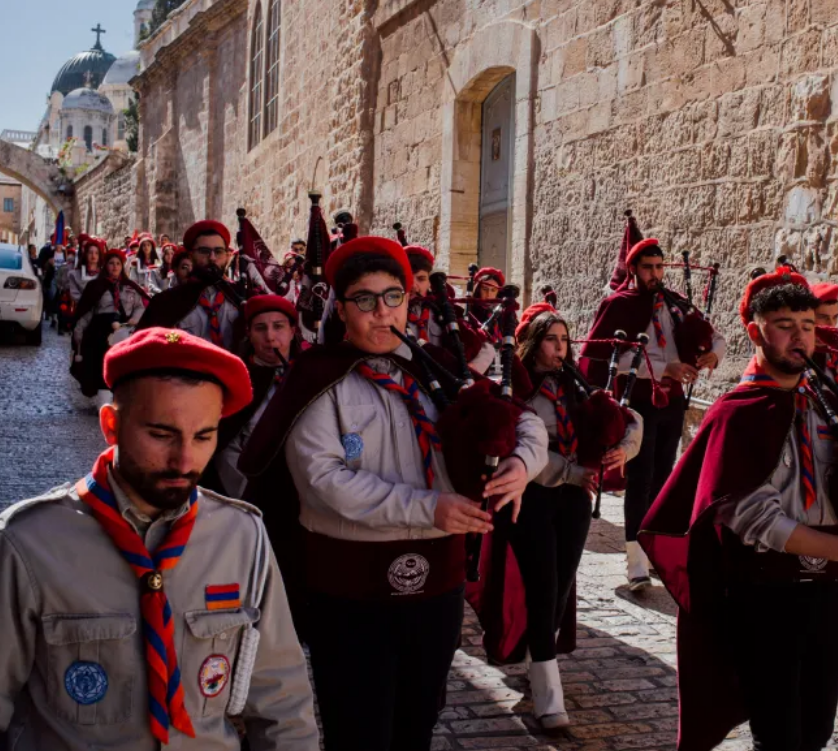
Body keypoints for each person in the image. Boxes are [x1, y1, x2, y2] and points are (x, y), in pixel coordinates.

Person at [238, 236, 549, 751]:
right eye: (365, 300)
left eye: (393, 297)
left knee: (417, 723)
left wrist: (521, 464)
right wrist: (430, 506)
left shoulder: (437, 369)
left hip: (435, 589)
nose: (381, 312)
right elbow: (324, 483)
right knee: (358, 727)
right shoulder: (318, 380)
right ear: (341, 308)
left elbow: (525, 423)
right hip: (350, 593)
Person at [639, 270, 838, 751]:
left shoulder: (829, 403)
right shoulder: (739, 412)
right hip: (762, 595)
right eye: (784, 325)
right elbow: (758, 520)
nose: (800, 337)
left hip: (828, 593)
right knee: (778, 736)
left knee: (816, 733)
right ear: (756, 332)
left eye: (808, 325)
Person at [0, 327, 321, 750]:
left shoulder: (241, 537)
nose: (185, 460)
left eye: (204, 436)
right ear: (112, 425)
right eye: (161, 435)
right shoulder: (28, 544)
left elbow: (282, 701)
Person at [510, 303, 642, 728]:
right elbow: (518, 450)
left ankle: (537, 658)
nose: (560, 348)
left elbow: (629, 420)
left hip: (575, 499)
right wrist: (570, 470)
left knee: (563, 582)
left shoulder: (577, 384)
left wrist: (626, 447)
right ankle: (549, 696)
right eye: (552, 339)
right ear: (533, 343)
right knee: (543, 582)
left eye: (565, 340)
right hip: (533, 496)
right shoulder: (520, 389)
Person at [579, 237, 725, 589]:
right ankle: (635, 562)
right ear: (634, 270)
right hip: (638, 402)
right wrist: (664, 369)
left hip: (672, 402)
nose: (655, 274)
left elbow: (716, 337)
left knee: (664, 476)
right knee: (641, 478)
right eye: (648, 267)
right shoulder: (619, 305)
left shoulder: (676, 304)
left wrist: (712, 356)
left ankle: (656, 548)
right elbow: (609, 358)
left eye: (660, 267)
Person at [206, 295, 304, 498]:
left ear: (292, 331)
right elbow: (225, 449)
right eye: (260, 328)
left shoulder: (311, 375)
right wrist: (251, 494)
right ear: (249, 334)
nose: (270, 337)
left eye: (278, 327)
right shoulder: (236, 382)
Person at [137, 221, 246, 353]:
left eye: (218, 251)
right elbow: (144, 351)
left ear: (226, 256)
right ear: (191, 255)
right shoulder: (166, 302)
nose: (212, 258)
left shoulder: (240, 298)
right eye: (204, 251)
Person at [404, 239, 496, 375]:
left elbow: (486, 347)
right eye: (408, 278)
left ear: (430, 282)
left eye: (421, 279)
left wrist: (470, 371)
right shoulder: (390, 312)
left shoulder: (444, 309)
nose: (413, 286)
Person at [71, 250, 148, 399]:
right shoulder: (95, 286)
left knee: (123, 365)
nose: (115, 267)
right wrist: (78, 332)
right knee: (102, 365)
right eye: (111, 263)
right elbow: (87, 311)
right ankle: (103, 398)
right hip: (100, 333)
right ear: (105, 266)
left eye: (118, 263)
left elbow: (140, 306)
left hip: (124, 331)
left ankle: (122, 395)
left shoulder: (130, 286)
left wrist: (135, 319)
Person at [69, 237, 104, 303]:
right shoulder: (75, 274)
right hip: (83, 308)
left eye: (96, 253)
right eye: (90, 252)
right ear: (86, 254)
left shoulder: (104, 274)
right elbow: (75, 294)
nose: (93, 255)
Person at [54, 248, 77, 335]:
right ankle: (67, 327)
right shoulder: (74, 268)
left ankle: (63, 327)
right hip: (68, 292)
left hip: (65, 291)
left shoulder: (64, 267)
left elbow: (57, 280)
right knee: (68, 310)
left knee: (64, 310)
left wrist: (60, 288)